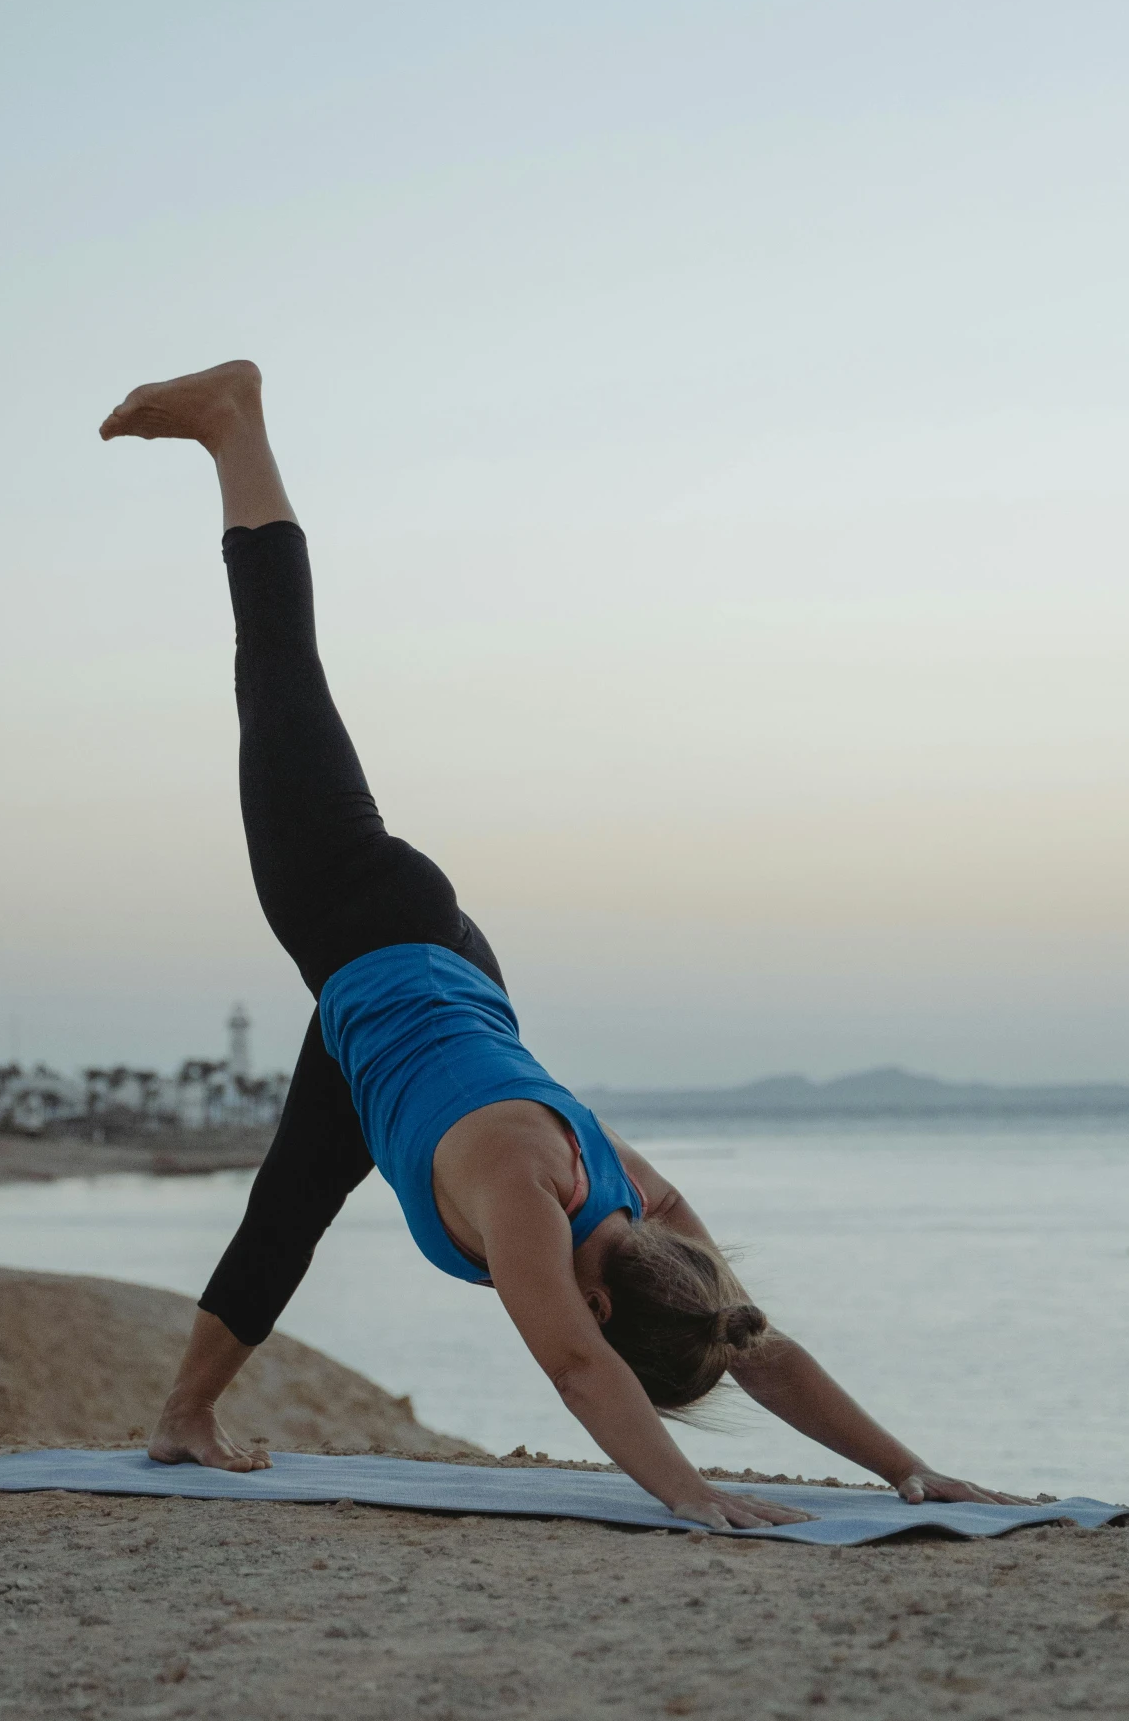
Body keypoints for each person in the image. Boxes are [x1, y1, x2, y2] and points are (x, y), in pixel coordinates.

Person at [100, 361, 1020, 1532]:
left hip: (440, 986)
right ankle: (236, 423)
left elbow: (750, 1343)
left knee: (288, 1206)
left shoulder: (644, 1212)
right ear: (596, 1292)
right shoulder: (531, 1200)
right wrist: (691, 1496)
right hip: (365, 920)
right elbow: (579, 1372)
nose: (588, 1330)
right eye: (599, 1325)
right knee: (276, 672)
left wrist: (907, 1468)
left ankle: (186, 1413)